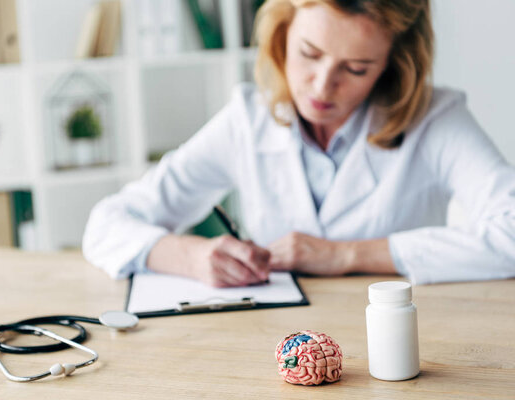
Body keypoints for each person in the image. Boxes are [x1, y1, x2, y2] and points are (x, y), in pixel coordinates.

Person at [83, 0, 515, 287]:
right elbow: (106, 225)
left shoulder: (435, 118)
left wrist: (346, 255)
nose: (323, 86)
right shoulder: (248, 120)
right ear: (282, 34)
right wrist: (193, 257)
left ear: (392, 64)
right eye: (309, 53)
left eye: (357, 68)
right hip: (280, 346)